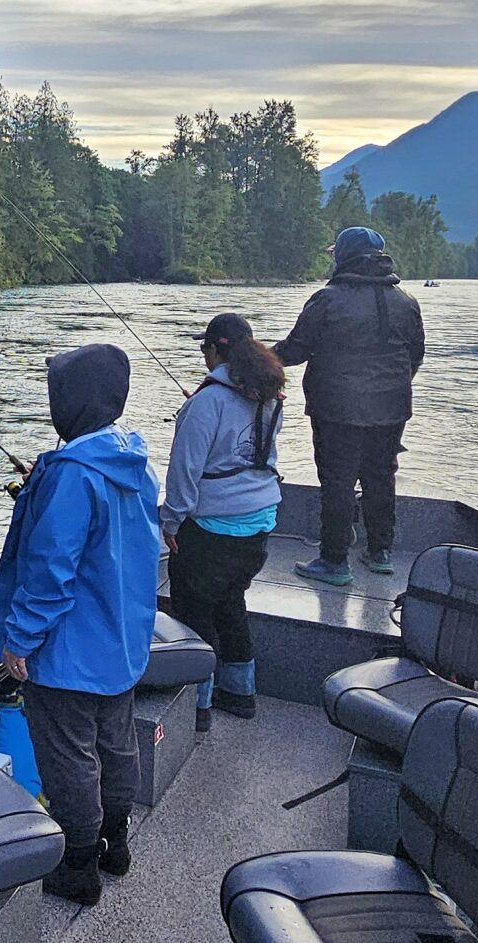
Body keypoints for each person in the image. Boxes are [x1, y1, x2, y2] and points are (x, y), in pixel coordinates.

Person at [0, 344, 162, 908]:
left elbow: (50, 572)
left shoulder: (72, 477)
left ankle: (78, 866)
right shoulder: (133, 462)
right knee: (116, 744)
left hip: (68, 652)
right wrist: (47, 479)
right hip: (120, 641)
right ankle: (116, 843)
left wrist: (19, 639)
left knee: (69, 757)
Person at [274, 226, 426, 586]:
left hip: (336, 409)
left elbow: (295, 350)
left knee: (337, 481)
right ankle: (380, 552)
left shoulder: (327, 299)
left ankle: (334, 560)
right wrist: (391, 388)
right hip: (392, 408)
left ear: (343, 257)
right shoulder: (407, 301)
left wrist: (255, 359)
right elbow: (415, 356)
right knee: (381, 477)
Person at [157, 313, 285, 731]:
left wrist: (171, 523)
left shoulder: (205, 403)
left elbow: (184, 474)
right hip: (260, 525)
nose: (203, 355)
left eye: (204, 348)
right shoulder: (269, 395)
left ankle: (197, 707)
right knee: (231, 603)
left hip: (213, 531)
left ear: (215, 350)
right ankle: (241, 694)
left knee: (194, 613)